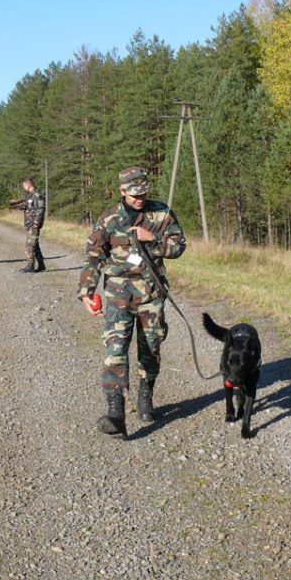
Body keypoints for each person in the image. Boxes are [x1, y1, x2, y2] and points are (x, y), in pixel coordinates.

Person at [77, 166, 186, 435]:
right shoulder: (110, 217)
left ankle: (145, 395)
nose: (140, 197)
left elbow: (179, 246)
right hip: (118, 294)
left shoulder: (161, 212)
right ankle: (116, 413)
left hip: (151, 294)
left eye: (144, 192)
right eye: (134, 193)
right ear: (122, 191)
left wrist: (155, 239)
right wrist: (86, 290)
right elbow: (94, 254)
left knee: (151, 349)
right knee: (116, 350)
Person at [11, 177, 46, 273]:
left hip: (34, 224)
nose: (23, 188)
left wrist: (37, 222)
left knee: (29, 245)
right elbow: (26, 206)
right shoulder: (29, 196)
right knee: (35, 245)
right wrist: (16, 206)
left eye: (24, 186)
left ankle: (30, 265)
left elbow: (41, 209)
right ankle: (41, 264)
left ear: (28, 184)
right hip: (29, 223)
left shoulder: (38, 195)